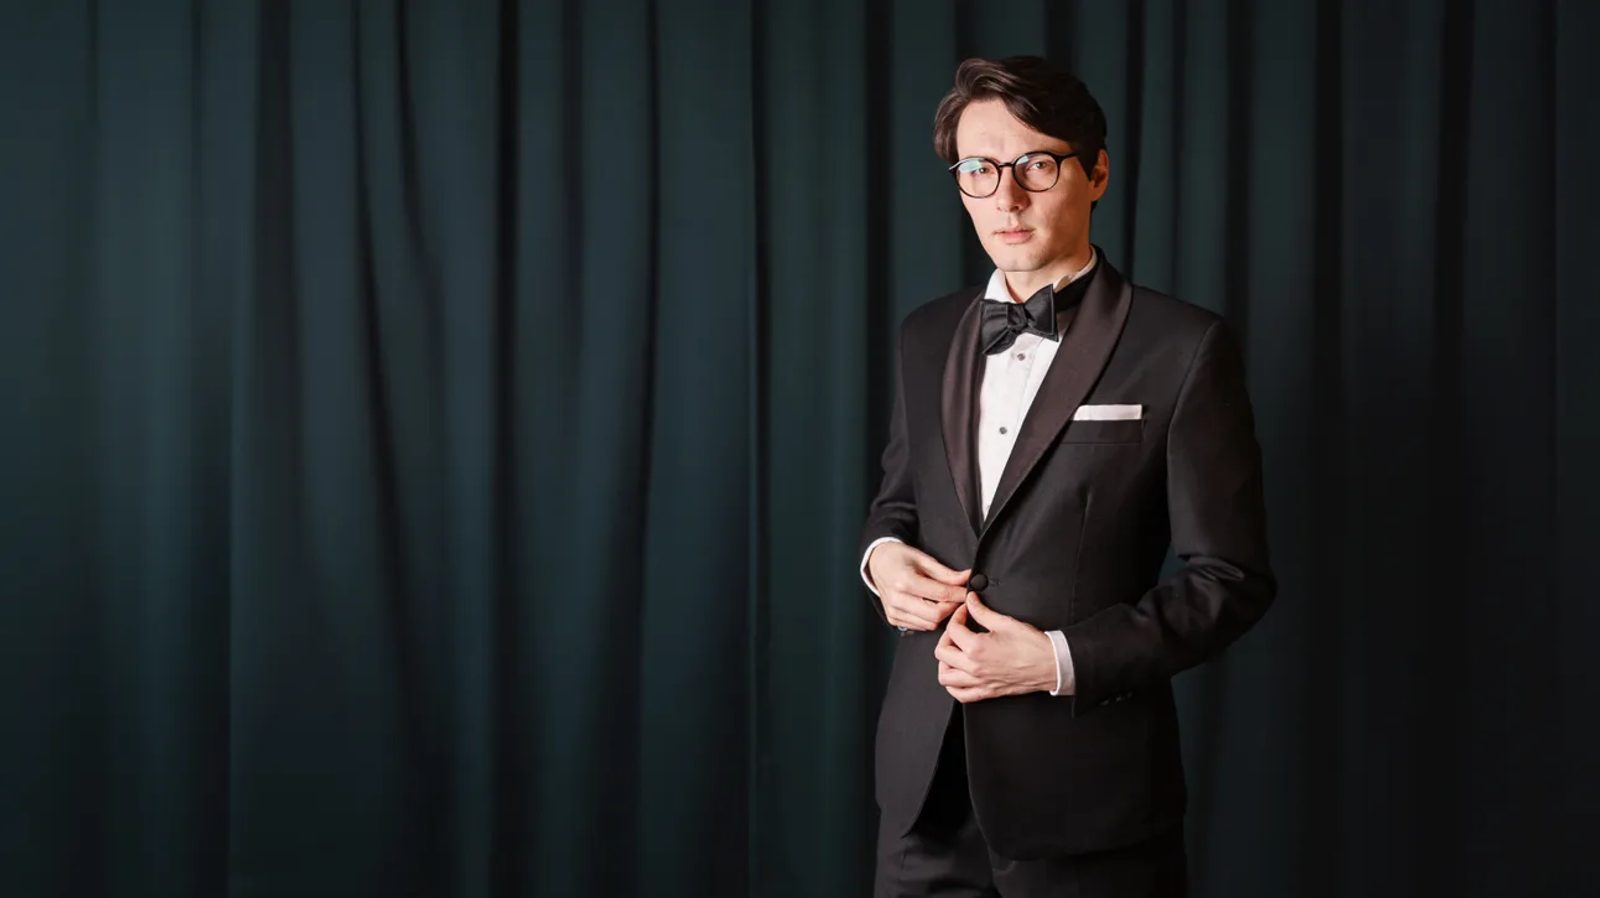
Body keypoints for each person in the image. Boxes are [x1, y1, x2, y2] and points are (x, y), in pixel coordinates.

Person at [858, 55, 1276, 897]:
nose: (1006, 198)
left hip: (1090, 806)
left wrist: (1056, 659)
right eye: (979, 169)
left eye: (1035, 165)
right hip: (922, 798)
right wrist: (881, 560)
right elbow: (899, 503)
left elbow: (1231, 579)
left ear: (1098, 173)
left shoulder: (1184, 347)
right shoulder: (925, 334)